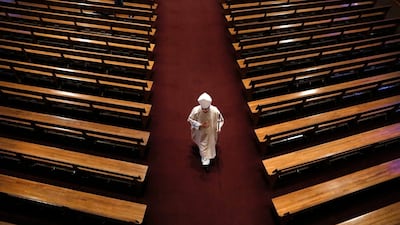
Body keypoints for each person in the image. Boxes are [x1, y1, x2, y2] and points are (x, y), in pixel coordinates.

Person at [187, 92, 224, 172]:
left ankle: (206, 160)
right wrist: (200, 125)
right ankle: (205, 163)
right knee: (203, 147)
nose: (205, 110)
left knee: (210, 145)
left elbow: (220, 120)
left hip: (211, 132)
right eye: (203, 109)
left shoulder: (214, 110)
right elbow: (190, 120)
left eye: (206, 109)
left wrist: (218, 128)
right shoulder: (196, 110)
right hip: (201, 132)